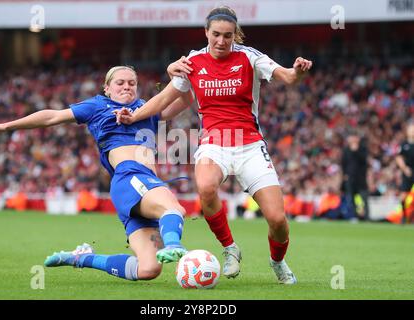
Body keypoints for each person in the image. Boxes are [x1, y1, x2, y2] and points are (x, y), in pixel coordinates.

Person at [116, 6, 313, 284]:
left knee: (278, 220)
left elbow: (288, 77)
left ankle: (277, 261)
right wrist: (134, 115)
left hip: (249, 144)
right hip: (214, 142)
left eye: (228, 36)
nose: (221, 41)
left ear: (235, 36)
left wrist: (298, 71)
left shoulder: (249, 57)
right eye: (216, 34)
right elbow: (165, 97)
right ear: (206, 32)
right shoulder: (193, 62)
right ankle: (229, 248)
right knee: (206, 187)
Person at [0, 64, 193, 281]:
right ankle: (174, 245)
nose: (126, 87)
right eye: (120, 83)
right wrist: (8, 126)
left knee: (148, 269)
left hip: (143, 183)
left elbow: (185, 100)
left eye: (132, 83)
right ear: (107, 88)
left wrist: (180, 76)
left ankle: (83, 258)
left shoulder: (147, 108)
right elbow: (52, 117)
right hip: (130, 176)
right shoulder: (98, 106)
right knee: (172, 208)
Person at [341, 131, 369, 221]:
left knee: (363, 198)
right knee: (351, 198)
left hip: (361, 179)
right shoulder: (346, 150)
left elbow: (364, 160)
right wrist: (344, 174)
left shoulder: (362, 148)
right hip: (350, 178)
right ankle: (354, 216)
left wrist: (356, 151)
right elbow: (343, 163)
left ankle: (366, 217)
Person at [395, 121, 414, 224]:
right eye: (411, 130)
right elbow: (399, 157)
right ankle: (404, 215)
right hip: (408, 172)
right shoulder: (404, 144)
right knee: (403, 196)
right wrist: (404, 168)